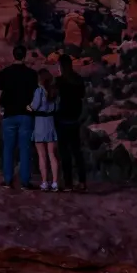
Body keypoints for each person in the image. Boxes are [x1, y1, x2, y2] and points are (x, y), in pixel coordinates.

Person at [0, 45, 37, 189]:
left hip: (9, 114)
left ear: (13, 55)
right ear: (24, 56)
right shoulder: (32, 74)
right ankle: (25, 181)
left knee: (8, 148)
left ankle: (8, 179)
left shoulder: (4, 73)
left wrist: (0, 110)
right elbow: (36, 97)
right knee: (25, 149)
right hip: (26, 115)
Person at [56, 53, 87, 192]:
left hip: (62, 119)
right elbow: (82, 96)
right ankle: (82, 181)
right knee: (77, 151)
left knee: (65, 153)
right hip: (75, 118)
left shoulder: (59, 81)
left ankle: (68, 182)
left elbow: (54, 97)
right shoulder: (78, 79)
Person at [28, 69, 60, 191]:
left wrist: (27, 107)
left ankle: (45, 182)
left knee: (42, 155)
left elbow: (34, 106)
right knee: (52, 155)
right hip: (50, 122)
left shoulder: (39, 91)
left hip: (40, 123)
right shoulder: (54, 91)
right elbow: (57, 107)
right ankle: (55, 182)